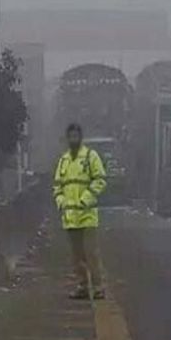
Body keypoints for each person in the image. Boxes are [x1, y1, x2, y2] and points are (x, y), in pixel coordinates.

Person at [53, 123, 107, 300]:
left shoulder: (90, 157)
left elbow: (100, 180)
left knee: (91, 253)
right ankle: (82, 286)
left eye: (76, 136)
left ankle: (98, 287)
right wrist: (61, 201)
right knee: (77, 257)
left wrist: (86, 199)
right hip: (70, 217)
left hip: (87, 215)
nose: (73, 139)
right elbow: (57, 186)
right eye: (71, 136)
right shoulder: (64, 160)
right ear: (67, 139)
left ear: (80, 138)